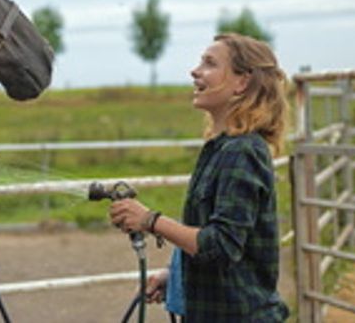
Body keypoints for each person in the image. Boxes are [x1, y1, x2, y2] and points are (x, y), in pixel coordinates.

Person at [109, 33, 290, 322]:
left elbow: (221, 245)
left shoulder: (243, 151)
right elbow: (218, 239)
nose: (195, 71)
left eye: (209, 63)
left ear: (242, 82)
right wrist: (176, 276)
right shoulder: (219, 149)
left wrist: (150, 220)